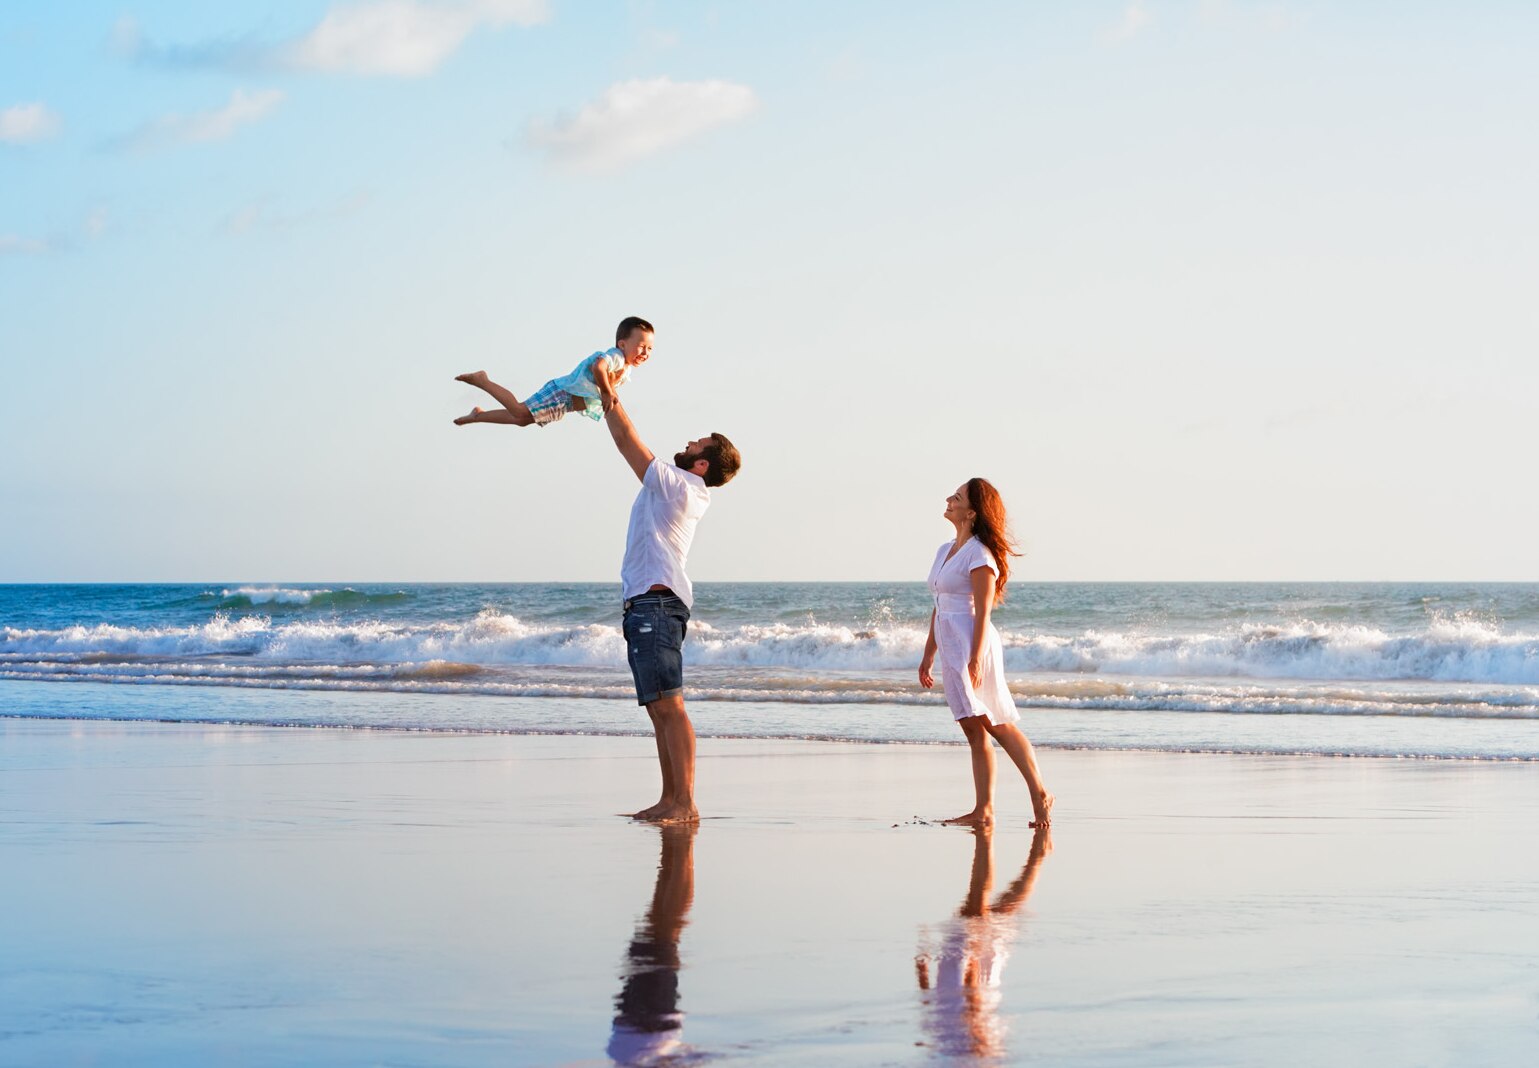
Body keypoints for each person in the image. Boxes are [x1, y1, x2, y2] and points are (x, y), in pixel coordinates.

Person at [604, 397, 741, 823]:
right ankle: (670, 799)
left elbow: (627, 440)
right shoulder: (676, 486)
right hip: (647, 603)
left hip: (657, 604)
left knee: (670, 705)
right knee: (657, 707)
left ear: (701, 465)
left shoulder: (680, 486)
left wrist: (608, 390)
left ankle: (683, 802)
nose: (688, 443)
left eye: (697, 444)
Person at [919, 478, 1054, 828]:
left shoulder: (980, 555)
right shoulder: (944, 550)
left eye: (957, 497)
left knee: (995, 722)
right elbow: (939, 604)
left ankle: (1039, 793)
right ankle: (984, 810)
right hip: (950, 642)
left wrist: (976, 657)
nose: (949, 499)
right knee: (972, 727)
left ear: (972, 513)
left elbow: (984, 610)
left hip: (972, 643)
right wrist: (928, 653)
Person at [915, 825, 1052, 1059]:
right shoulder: (955, 1042)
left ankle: (1033, 859)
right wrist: (974, 951)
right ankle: (1035, 859)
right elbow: (969, 998)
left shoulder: (944, 1041)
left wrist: (923, 971)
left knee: (990, 906)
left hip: (966, 960)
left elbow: (931, 1005)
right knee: (994, 907)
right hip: (972, 964)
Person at [452, 316, 654, 428]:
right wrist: (608, 392)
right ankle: (483, 380)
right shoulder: (616, 357)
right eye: (641, 346)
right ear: (622, 344)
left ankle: (478, 416)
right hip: (561, 393)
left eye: (649, 349)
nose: (645, 352)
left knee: (521, 420)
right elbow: (598, 367)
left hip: (565, 403)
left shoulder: (625, 368)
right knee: (520, 411)